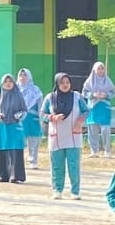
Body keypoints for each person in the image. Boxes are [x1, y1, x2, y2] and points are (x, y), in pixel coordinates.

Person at [41, 72, 89, 200]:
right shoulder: (50, 98)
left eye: (67, 82)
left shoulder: (77, 96)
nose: (65, 85)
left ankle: (75, 191)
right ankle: (57, 190)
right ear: (57, 83)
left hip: (73, 136)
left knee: (74, 165)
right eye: (62, 83)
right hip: (56, 137)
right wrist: (52, 117)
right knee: (57, 165)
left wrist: (80, 121)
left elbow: (86, 110)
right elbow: (42, 114)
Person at [0, 73, 27, 183]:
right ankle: (3, 175)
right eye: (6, 82)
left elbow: (25, 110)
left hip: (14, 127)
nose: (8, 84)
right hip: (1, 127)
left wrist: (19, 115)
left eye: (10, 81)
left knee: (14, 150)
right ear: (2, 84)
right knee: (1, 150)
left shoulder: (19, 95)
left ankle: (15, 176)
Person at [83, 61, 115, 158]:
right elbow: (84, 92)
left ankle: (107, 151)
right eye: (99, 69)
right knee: (93, 129)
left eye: (102, 68)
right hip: (93, 108)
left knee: (105, 129)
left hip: (104, 107)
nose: (101, 71)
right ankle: (94, 151)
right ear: (94, 70)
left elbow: (113, 92)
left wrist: (106, 95)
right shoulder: (89, 81)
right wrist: (93, 95)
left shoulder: (108, 81)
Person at [16, 68, 44, 169]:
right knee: (19, 140)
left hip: (32, 118)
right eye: (21, 75)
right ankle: (19, 162)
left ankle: (33, 160)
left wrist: (41, 116)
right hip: (19, 118)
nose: (22, 77)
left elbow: (40, 104)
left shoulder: (35, 90)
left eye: (25, 75)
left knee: (34, 139)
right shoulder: (15, 90)